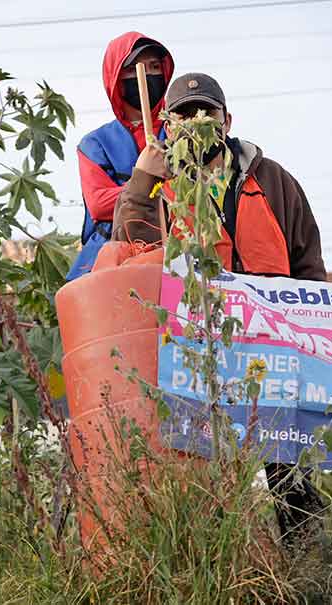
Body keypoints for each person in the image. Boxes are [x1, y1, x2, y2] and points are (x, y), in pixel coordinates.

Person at [112, 72, 326, 544]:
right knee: (207, 472)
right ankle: (223, 569)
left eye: (207, 112)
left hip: (276, 353)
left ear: (226, 120)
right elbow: (129, 248)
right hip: (199, 353)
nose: (197, 122)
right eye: (185, 114)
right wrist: (144, 177)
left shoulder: (272, 179)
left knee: (290, 472)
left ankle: (306, 564)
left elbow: (308, 260)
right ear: (167, 125)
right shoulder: (158, 186)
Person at [67, 32, 175, 280]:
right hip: (112, 258)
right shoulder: (95, 143)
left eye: (155, 67)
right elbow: (99, 204)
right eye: (134, 68)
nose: (148, 75)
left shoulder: (177, 133)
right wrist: (150, 181)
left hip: (174, 253)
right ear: (115, 77)